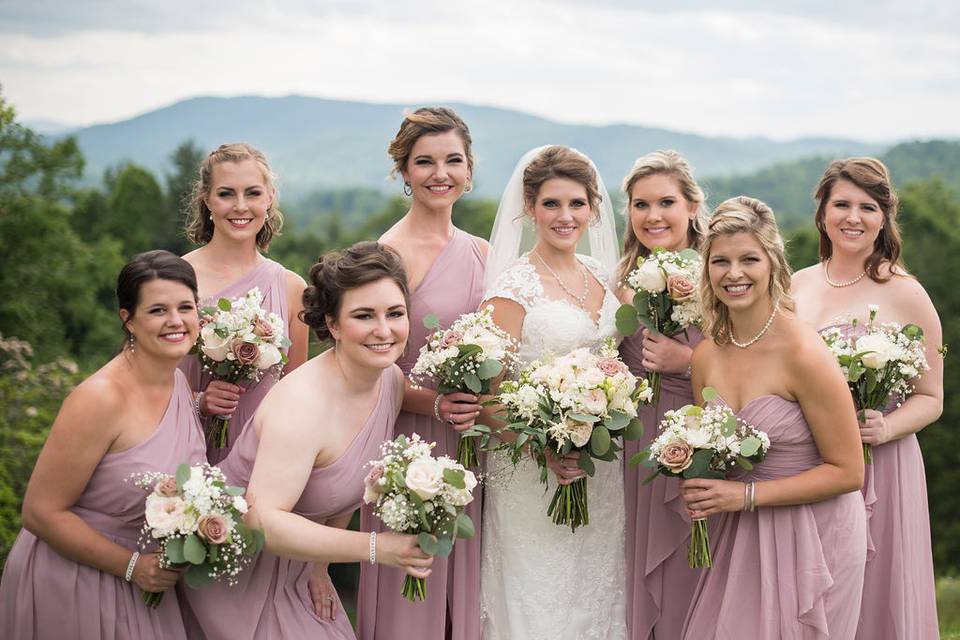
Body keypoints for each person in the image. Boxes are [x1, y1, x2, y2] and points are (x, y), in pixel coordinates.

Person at [180, 241, 432, 639]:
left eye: (395, 313)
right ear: (332, 324)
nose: (384, 330)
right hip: (234, 572)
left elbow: (341, 483)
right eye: (364, 315)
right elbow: (261, 519)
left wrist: (319, 565)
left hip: (299, 568)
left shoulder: (389, 383)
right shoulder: (301, 405)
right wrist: (374, 547)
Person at [680, 196, 866, 639]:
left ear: (773, 264)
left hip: (816, 537)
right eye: (720, 261)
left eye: (749, 259)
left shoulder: (803, 352)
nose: (734, 274)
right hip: (741, 532)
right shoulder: (705, 356)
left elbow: (849, 471)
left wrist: (743, 497)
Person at [0, 250, 207, 639]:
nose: (176, 321)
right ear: (127, 319)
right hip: (76, 579)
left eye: (186, 307)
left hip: (145, 580)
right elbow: (40, 513)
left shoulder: (177, 381)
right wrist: (132, 566)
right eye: (157, 310)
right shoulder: (99, 399)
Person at [792, 158, 943, 638]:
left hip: (885, 460)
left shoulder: (905, 292)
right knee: (819, 590)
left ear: (884, 217)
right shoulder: (796, 285)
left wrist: (887, 426)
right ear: (822, 212)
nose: (852, 217)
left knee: (880, 592)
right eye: (841, 204)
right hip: (813, 460)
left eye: (867, 206)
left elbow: (932, 396)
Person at [480, 145, 625, 639]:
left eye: (577, 204)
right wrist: (547, 445)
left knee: (597, 592)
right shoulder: (511, 287)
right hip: (530, 471)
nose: (566, 217)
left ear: (593, 209)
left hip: (601, 472)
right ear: (530, 207)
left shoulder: (606, 277)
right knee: (540, 600)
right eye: (551, 204)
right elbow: (490, 399)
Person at [357, 107, 487, 640]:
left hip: (476, 443)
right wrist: (431, 404)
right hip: (410, 443)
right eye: (425, 162)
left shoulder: (483, 252)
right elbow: (366, 363)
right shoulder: (384, 256)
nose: (440, 173)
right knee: (414, 587)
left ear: (469, 170)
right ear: (404, 173)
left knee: (471, 588)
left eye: (452, 160)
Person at [615, 150, 708, 639]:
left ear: (692, 206)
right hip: (635, 444)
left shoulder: (724, 274)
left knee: (692, 573)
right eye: (640, 204)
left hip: (703, 438)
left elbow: (756, 365)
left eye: (666, 202)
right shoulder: (620, 279)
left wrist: (688, 361)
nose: (653, 216)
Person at [181, 142, 308, 462]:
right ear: (206, 200)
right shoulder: (177, 280)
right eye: (226, 194)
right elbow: (143, 384)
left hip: (262, 458)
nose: (240, 206)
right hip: (183, 449)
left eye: (252, 193)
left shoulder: (293, 289)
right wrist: (199, 402)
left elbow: (295, 398)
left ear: (269, 198)